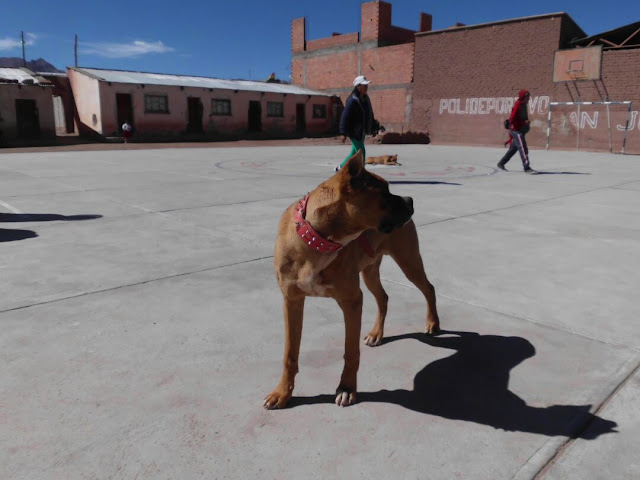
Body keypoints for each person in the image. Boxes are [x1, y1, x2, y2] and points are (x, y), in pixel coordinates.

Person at [336, 75, 382, 172]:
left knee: (354, 152)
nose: (366, 87)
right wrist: (343, 133)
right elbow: (345, 116)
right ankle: (362, 173)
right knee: (361, 152)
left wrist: (373, 127)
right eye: (364, 85)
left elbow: (369, 114)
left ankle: (340, 168)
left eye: (367, 85)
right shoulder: (352, 100)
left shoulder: (366, 99)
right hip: (354, 131)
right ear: (358, 87)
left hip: (362, 131)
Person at [498, 90, 535, 173]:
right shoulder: (518, 105)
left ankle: (501, 163)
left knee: (514, 148)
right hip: (516, 130)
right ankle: (527, 168)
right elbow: (511, 120)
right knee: (522, 147)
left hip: (519, 130)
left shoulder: (524, 105)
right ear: (523, 97)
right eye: (527, 97)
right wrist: (523, 122)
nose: (529, 99)